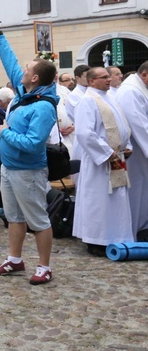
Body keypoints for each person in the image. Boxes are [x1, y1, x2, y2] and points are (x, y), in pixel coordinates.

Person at [0, 19, 59, 285]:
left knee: (37, 219)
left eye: (28, 69)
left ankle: (44, 266)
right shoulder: (24, 91)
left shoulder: (43, 107)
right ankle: (14, 260)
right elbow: (10, 61)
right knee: (14, 217)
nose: (22, 71)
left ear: (35, 77)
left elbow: (32, 143)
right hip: (9, 168)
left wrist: (5, 132)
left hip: (28, 171)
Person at [73, 67, 133, 257]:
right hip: (99, 162)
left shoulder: (110, 98)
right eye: (104, 77)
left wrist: (127, 144)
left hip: (117, 157)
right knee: (99, 201)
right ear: (92, 81)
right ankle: (95, 240)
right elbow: (84, 132)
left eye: (109, 76)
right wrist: (107, 153)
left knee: (117, 199)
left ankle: (115, 235)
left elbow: (122, 125)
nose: (109, 79)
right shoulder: (87, 101)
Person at [116, 61, 148, 237]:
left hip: (140, 151)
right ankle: (134, 231)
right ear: (144, 74)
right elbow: (139, 125)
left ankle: (142, 228)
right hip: (135, 151)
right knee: (137, 190)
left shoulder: (139, 88)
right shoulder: (131, 91)